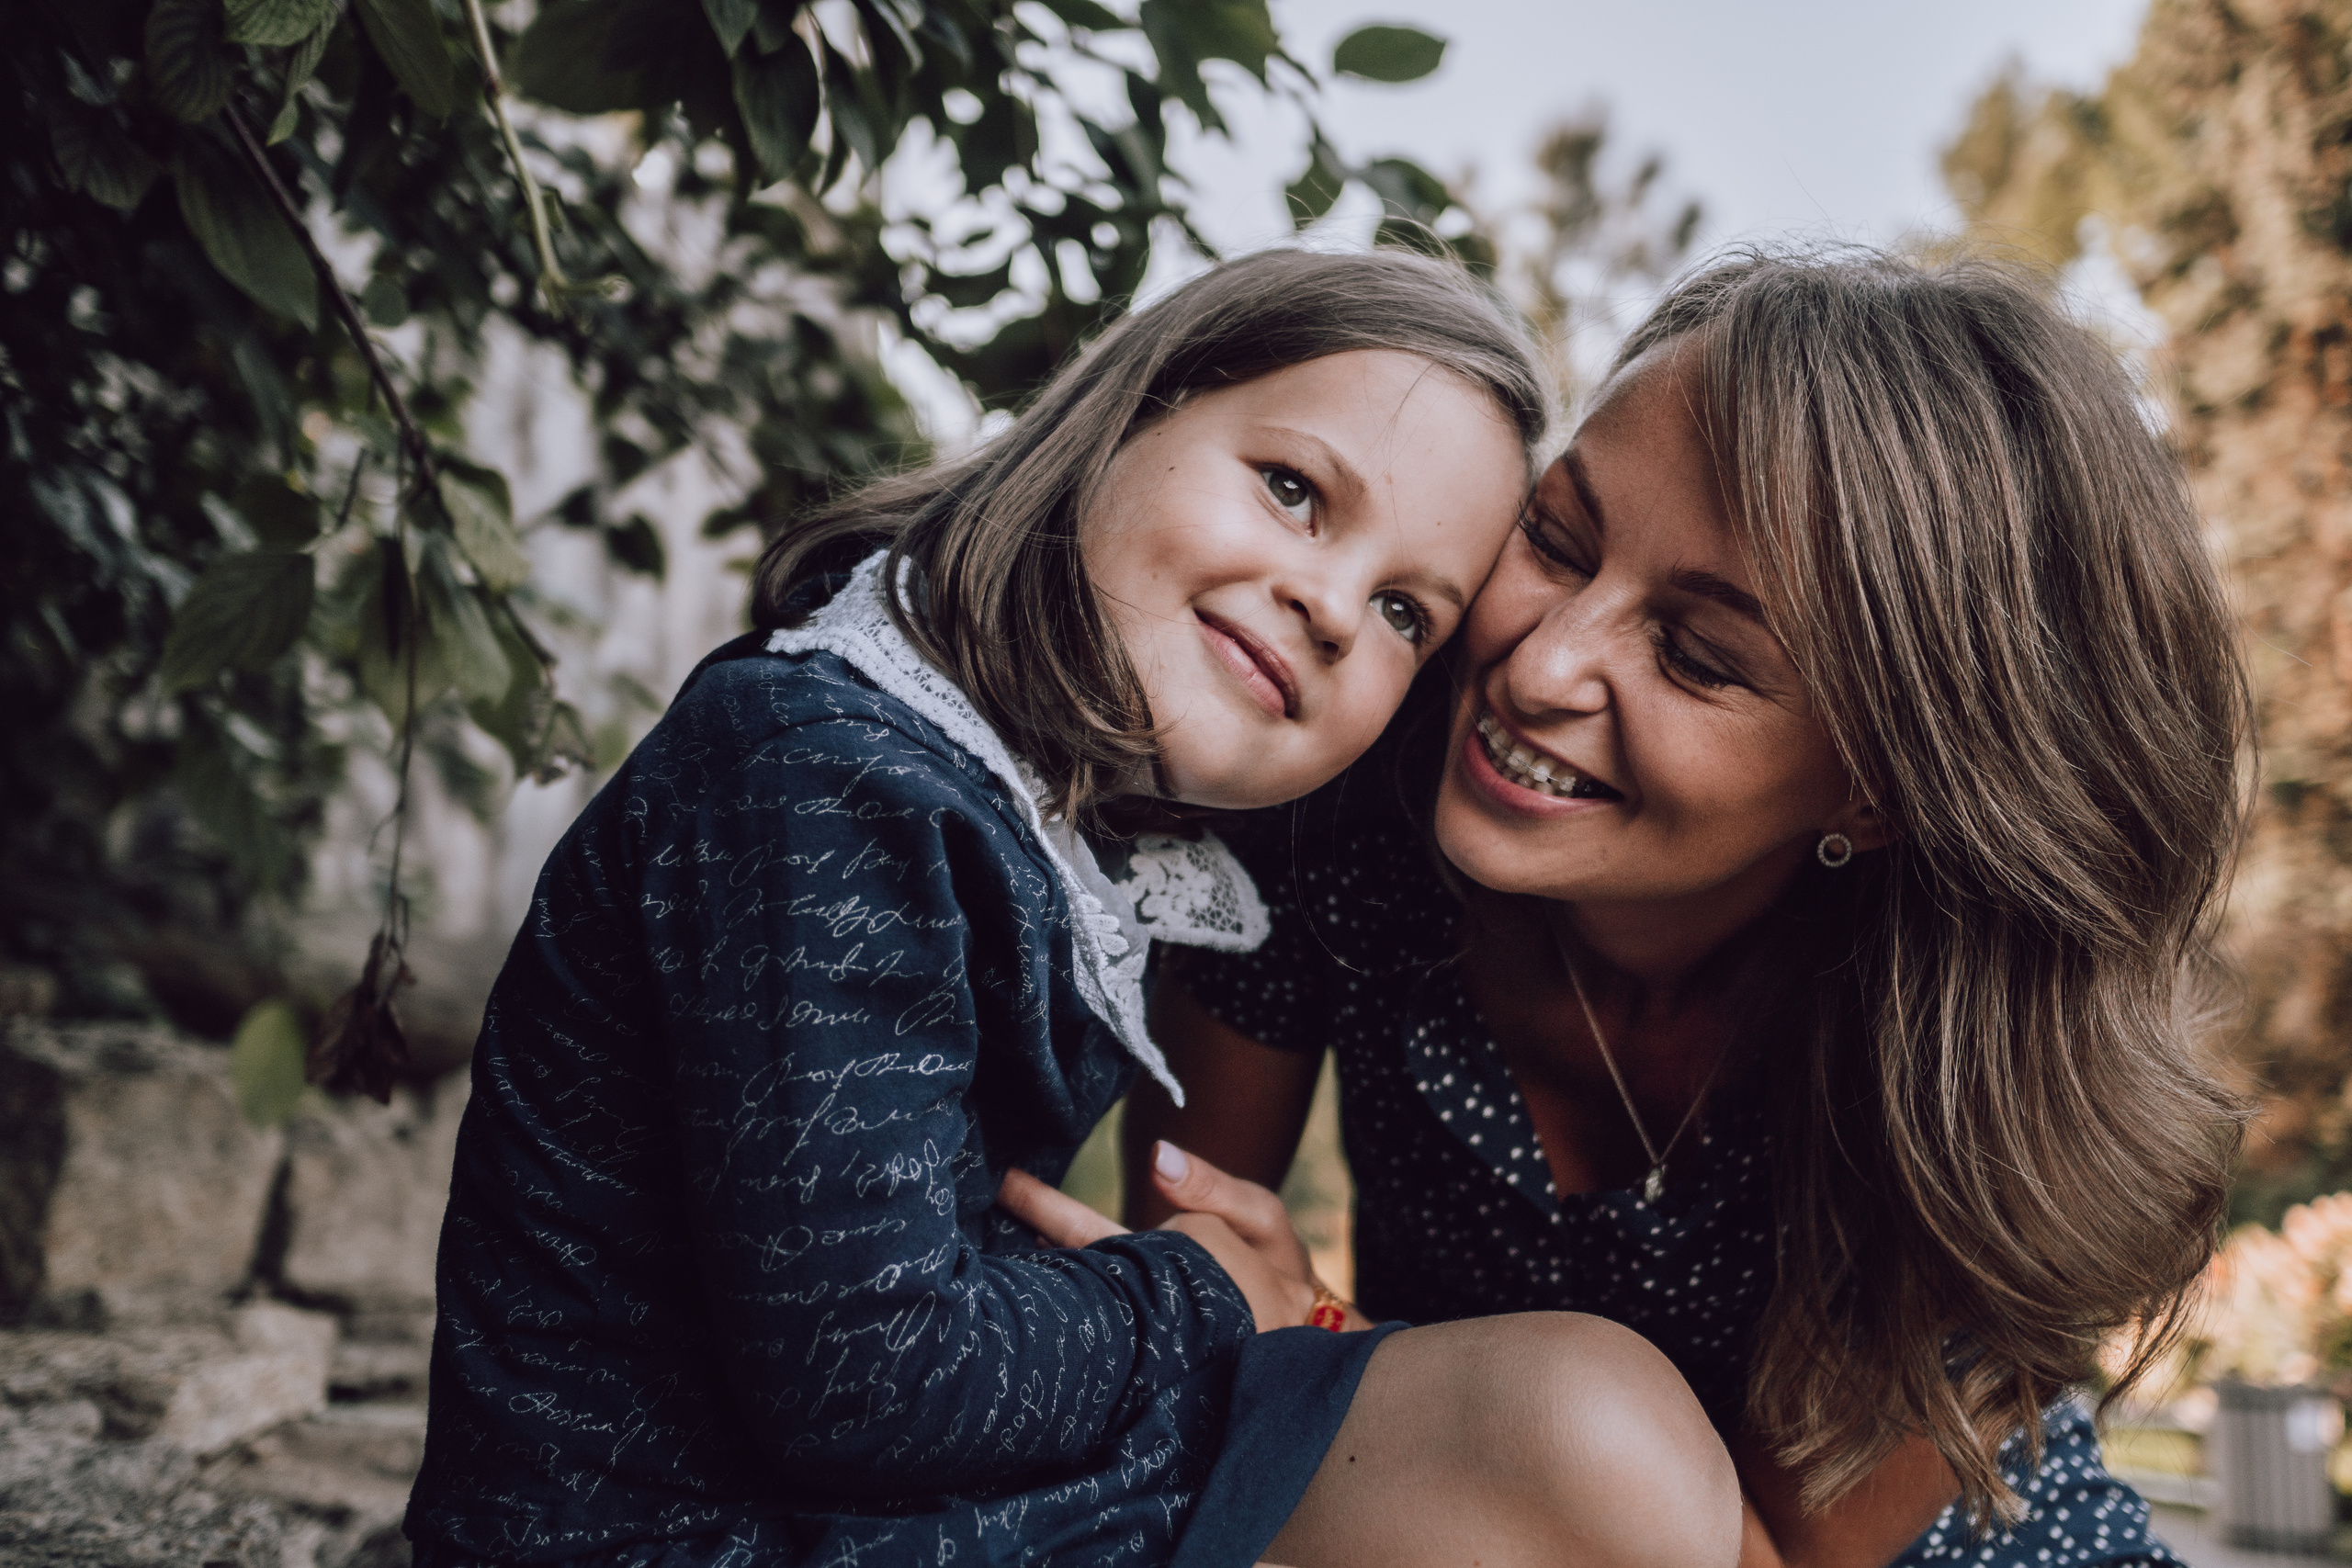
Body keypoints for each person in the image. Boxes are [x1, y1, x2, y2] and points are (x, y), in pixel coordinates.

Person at [403, 246, 1745, 1568]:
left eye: (1407, 611)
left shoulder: (1025, 820)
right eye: (1293, 490)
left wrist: (1253, 1317)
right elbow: (868, 1379)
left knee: (1574, 1442)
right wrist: (1215, 1292)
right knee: (1574, 1441)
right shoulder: (820, 777)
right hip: (674, 1530)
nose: (1335, 609)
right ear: (1130, 412)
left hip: (843, 1509)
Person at [1102, 248, 2251, 1567]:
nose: (1540, 668)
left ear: (1877, 793)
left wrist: (1320, 1338)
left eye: (1698, 658)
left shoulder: (1971, 1069)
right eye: (1556, 537)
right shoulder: (1348, 809)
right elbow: (1184, 1298)